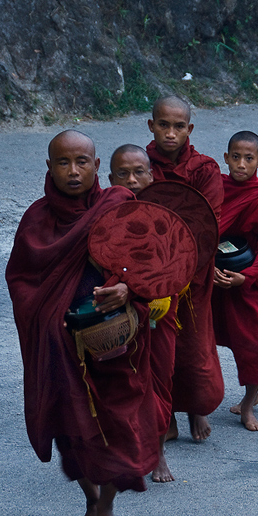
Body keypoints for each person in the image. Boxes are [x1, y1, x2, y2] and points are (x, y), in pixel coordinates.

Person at [5, 130, 160, 516]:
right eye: (63, 163)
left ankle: (108, 506)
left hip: (115, 340)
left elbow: (149, 263)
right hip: (60, 342)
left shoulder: (118, 205)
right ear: (49, 167)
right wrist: (47, 316)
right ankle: (90, 499)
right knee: (70, 424)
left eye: (82, 162)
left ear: (97, 166)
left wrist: (128, 289)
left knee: (122, 422)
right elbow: (21, 279)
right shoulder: (37, 221)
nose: (73, 172)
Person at [144, 96, 225, 442]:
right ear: (152, 126)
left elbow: (208, 222)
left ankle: (195, 407)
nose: (171, 133)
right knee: (158, 347)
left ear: (189, 129)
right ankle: (166, 414)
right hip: (151, 270)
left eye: (179, 126)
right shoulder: (140, 163)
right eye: (164, 125)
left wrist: (180, 270)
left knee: (193, 344)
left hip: (192, 271)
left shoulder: (204, 169)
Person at [107, 143, 175, 483]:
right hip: (120, 312)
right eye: (123, 173)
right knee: (126, 385)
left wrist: (167, 291)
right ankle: (125, 451)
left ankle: (159, 451)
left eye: (139, 173)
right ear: (109, 178)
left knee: (159, 382)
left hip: (160, 312)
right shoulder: (105, 214)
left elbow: (180, 260)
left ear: (151, 175)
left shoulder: (165, 212)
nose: (132, 180)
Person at [212, 131, 258, 431]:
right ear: (226, 158)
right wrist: (206, 269)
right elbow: (203, 229)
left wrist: (247, 277)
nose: (241, 164)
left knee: (256, 343)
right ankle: (197, 404)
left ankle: (248, 402)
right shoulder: (215, 189)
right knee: (201, 340)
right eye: (236, 157)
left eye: (249, 158)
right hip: (215, 275)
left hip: (252, 279)